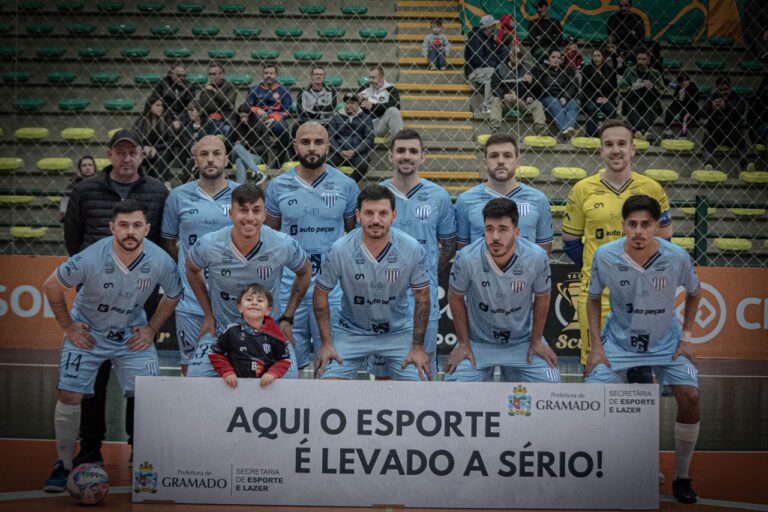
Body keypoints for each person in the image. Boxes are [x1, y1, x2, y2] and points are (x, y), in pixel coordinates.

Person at [42, 200, 182, 492]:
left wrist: (152, 329)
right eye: (123, 225)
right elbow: (52, 286)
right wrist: (68, 326)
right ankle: (63, 464)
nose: (129, 232)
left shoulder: (160, 260)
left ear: (146, 228)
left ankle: (144, 463)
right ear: (112, 228)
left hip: (131, 336)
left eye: (136, 225)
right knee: (69, 395)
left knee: (149, 395)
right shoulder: (91, 257)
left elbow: (173, 294)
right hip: (88, 335)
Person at [584, 194, 702, 504]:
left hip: (667, 342)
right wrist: (596, 346)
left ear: (657, 227)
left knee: (690, 396)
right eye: (632, 224)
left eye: (645, 225)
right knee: (590, 398)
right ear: (622, 225)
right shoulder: (605, 256)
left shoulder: (677, 257)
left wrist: (687, 336)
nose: (638, 231)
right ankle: (616, 467)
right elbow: (593, 298)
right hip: (620, 342)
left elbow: (695, 292)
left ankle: (681, 476)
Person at [63, 129, 168, 467]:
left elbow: (163, 240)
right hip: (95, 299)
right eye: (120, 152)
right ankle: (90, 448)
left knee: (141, 382)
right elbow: (73, 238)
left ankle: (141, 449)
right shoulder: (86, 189)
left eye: (132, 152)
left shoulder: (156, 190)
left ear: (141, 154)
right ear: (110, 154)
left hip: (141, 296)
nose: (126, 158)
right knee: (93, 377)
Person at [562, 118, 672, 384]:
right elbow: (570, 242)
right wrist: (603, 269)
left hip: (642, 300)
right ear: (601, 150)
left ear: (633, 148)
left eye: (622, 144)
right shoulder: (582, 190)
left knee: (640, 376)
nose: (616, 150)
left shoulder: (652, 189)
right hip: (596, 299)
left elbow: (666, 241)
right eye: (609, 144)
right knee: (596, 375)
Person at [185, 184, 311, 377]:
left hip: (268, 331)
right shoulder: (208, 244)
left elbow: (305, 270)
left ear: (264, 215)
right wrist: (208, 314)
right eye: (243, 210)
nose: (250, 217)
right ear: (230, 213)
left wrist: (287, 318)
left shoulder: (282, 244)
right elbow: (192, 268)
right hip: (222, 330)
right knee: (196, 377)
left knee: (289, 380)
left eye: (256, 210)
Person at [264, 122, 359, 370]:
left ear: (328, 146)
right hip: (288, 287)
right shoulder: (277, 186)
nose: (312, 147)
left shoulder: (346, 185)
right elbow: (271, 238)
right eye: (305, 142)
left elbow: (354, 236)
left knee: (332, 363)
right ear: (295, 146)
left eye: (318, 142)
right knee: (285, 364)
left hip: (331, 288)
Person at [313, 185, 432, 381]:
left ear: (393, 216)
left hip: (398, 332)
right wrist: (327, 343)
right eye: (369, 213)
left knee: (418, 387)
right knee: (328, 387)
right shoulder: (340, 250)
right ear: (358, 215)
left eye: (383, 213)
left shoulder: (411, 248)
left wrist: (417, 347)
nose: (376, 220)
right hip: (351, 331)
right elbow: (320, 294)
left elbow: (423, 298)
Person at [368, 129, 456, 378]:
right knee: (383, 373)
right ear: (390, 156)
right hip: (382, 293)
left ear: (423, 157)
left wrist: (423, 271)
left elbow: (449, 244)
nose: (407, 156)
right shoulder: (376, 195)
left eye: (413, 151)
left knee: (422, 370)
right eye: (401, 151)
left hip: (422, 296)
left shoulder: (438, 196)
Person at [444, 198, 559, 383]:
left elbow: (543, 297)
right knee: (454, 386)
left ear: (517, 231)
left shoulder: (537, 257)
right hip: (478, 343)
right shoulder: (466, 258)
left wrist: (537, 340)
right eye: (489, 229)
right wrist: (464, 343)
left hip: (522, 342)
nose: (495, 237)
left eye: (503, 229)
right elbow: (455, 297)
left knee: (550, 384)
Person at [161, 136, 239, 376]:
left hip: (233, 301)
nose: (210, 159)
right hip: (191, 300)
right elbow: (170, 242)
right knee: (190, 366)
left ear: (226, 159)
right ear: (195, 160)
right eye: (204, 154)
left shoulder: (240, 196)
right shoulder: (178, 196)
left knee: (237, 368)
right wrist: (191, 270)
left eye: (216, 153)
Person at [455, 133, 553, 254]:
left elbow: (544, 250)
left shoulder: (538, 199)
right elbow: (463, 250)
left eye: (507, 156)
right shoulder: (466, 200)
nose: (501, 161)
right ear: (485, 163)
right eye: (494, 156)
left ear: (517, 162)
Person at [209, 284, 292, 388]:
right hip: (235, 387)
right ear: (240, 308)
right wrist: (227, 371)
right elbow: (214, 353)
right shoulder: (231, 331)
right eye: (249, 299)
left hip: (265, 388)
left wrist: (273, 373)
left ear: (268, 311)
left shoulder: (274, 335)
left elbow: (285, 359)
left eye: (260, 301)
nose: (254, 303)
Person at [490, 45, 547, 135]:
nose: (516, 58)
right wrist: (503, 95)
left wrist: (532, 84)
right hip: (506, 100)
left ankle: (540, 129)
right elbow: (494, 86)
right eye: (514, 55)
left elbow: (539, 89)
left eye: (519, 56)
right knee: (496, 100)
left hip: (522, 100)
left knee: (537, 104)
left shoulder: (530, 69)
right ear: (509, 55)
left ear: (523, 57)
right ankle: (495, 129)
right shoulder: (500, 68)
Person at [247, 63, 293, 168]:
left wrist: (274, 119)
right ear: (263, 74)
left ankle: (278, 163)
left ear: (276, 75)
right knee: (259, 127)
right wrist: (257, 110)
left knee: (284, 129)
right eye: (266, 73)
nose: (269, 75)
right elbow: (247, 107)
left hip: (276, 120)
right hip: (257, 120)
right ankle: (261, 162)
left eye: (271, 73)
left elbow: (288, 110)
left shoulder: (284, 90)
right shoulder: (254, 89)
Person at [618, 47, 664, 141]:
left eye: (644, 59)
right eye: (639, 59)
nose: (641, 62)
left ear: (648, 60)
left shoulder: (655, 73)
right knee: (632, 106)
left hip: (649, 99)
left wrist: (653, 87)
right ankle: (644, 132)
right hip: (632, 98)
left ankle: (638, 132)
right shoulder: (629, 71)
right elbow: (621, 88)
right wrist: (631, 88)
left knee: (650, 107)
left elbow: (662, 90)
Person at [700, 75, 747, 167]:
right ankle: (708, 164)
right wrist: (711, 108)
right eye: (720, 90)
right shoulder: (712, 97)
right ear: (717, 88)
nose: (723, 93)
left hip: (731, 129)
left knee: (741, 139)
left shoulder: (736, 97)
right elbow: (702, 114)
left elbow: (740, 111)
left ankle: (744, 164)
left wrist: (726, 107)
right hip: (715, 130)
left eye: (726, 90)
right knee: (707, 138)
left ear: (730, 88)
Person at [327, 92, 374, 182]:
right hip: (339, 152)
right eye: (347, 103)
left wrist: (355, 151)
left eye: (352, 103)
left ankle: (350, 184)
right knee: (326, 162)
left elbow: (369, 139)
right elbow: (330, 137)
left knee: (363, 164)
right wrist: (339, 151)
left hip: (358, 153)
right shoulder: (336, 118)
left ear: (358, 104)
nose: (349, 105)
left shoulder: (366, 118)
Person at [535, 48, 579, 140]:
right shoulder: (540, 68)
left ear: (561, 59)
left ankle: (568, 128)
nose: (556, 60)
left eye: (558, 58)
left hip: (563, 96)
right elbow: (536, 85)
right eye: (553, 57)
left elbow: (574, 85)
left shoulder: (566, 69)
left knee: (572, 105)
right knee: (555, 105)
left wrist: (565, 97)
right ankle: (566, 129)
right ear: (548, 58)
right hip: (547, 96)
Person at [134, 94, 176, 183]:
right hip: (144, 150)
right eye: (157, 105)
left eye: (162, 106)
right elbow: (135, 138)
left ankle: (164, 182)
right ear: (150, 106)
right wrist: (144, 147)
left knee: (163, 154)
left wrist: (155, 148)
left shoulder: (166, 120)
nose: (161, 108)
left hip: (162, 149)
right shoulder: (141, 121)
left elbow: (170, 140)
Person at [464, 14, 501, 114]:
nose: (495, 27)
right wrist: (493, 63)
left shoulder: (490, 38)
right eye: (493, 25)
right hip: (473, 70)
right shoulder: (475, 38)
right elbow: (477, 60)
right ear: (489, 27)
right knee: (491, 71)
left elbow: (494, 56)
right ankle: (486, 106)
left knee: (500, 69)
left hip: (485, 68)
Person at [357, 65, 404, 140]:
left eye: (373, 78)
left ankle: (399, 144)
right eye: (369, 77)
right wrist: (356, 99)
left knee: (393, 111)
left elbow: (396, 105)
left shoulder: (390, 89)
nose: (370, 80)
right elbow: (348, 102)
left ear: (381, 78)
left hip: (380, 124)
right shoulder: (364, 88)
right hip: (364, 125)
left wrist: (373, 106)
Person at [581, 47, 619, 137]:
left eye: (598, 55)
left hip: (606, 98)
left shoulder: (610, 70)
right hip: (591, 98)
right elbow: (584, 88)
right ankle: (591, 135)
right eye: (594, 56)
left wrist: (607, 98)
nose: (596, 58)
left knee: (611, 109)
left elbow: (615, 90)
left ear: (603, 57)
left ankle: (610, 135)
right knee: (592, 108)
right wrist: (595, 98)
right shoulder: (587, 69)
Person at [197, 61, 237, 138]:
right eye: (210, 74)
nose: (211, 77)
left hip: (225, 120)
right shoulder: (206, 88)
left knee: (226, 129)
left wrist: (214, 91)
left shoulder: (230, 87)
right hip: (208, 120)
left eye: (214, 74)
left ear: (222, 75)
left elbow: (228, 103)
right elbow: (204, 105)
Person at [231, 103, 268, 185]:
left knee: (239, 161)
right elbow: (227, 143)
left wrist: (250, 149)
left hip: (254, 155)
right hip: (236, 153)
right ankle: (257, 172)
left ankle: (239, 186)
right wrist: (237, 143)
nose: (243, 119)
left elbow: (265, 147)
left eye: (245, 116)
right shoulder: (235, 125)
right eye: (241, 117)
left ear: (250, 115)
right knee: (237, 146)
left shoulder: (259, 125)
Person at [59, 155, 96, 222]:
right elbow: (63, 210)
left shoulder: (101, 184)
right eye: (84, 165)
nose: (87, 168)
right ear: (80, 169)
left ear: (94, 168)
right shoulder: (72, 186)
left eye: (90, 165)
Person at [663, 71, 699, 139]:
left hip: (690, 108)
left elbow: (694, 101)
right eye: (682, 81)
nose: (684, 82)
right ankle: (668, 130)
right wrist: (680, 95)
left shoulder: (693, 87)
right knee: (669, 111)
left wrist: (686, 92)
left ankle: (683, 134)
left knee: (684, 117)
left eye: (686, 80)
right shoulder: (679, 88)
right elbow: (675, 101)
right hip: (680, 106)